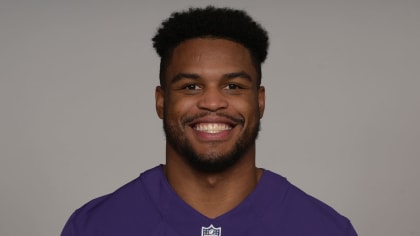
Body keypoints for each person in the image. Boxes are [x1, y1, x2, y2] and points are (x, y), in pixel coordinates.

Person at [61, 6, 357, 236]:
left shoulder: (324, 229)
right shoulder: (96, 226)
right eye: (191, 86)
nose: (213, 102)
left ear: (260, 101)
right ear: (161, 102)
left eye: (234, 86)